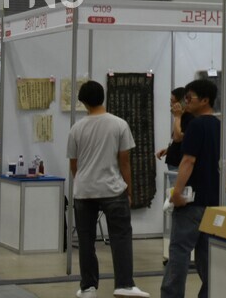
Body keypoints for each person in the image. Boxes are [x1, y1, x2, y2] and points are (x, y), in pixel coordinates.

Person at [162, 78, 226, 298]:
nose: (185, 102)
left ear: (205, 100)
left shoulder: (196, 125)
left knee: (179, 253)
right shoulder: (220, 127)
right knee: (207, 256)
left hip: (191, 203)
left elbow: (188, 161)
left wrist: (176, 193)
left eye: (190, 98)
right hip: (212, 204)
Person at [67, 80, 150, 298]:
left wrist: (85, 180)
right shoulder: (119, 124)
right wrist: (128, 191)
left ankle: (88, 287)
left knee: (86, 240)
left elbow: (74, 164)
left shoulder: (76, 129)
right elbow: (124, 162)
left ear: (83, 102)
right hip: (113, 189)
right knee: (120, 236)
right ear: (103, 97)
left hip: (84, 191)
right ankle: (124, 284)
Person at [155, 88, 192, 172]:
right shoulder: (182, 117)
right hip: (174, 162)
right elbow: (177, 139)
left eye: (173, 101)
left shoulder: (190, 118)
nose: (171, 104)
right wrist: (169, 149)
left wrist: (177, 117)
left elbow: (178, 137)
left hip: (179, 164)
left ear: (182, 102)